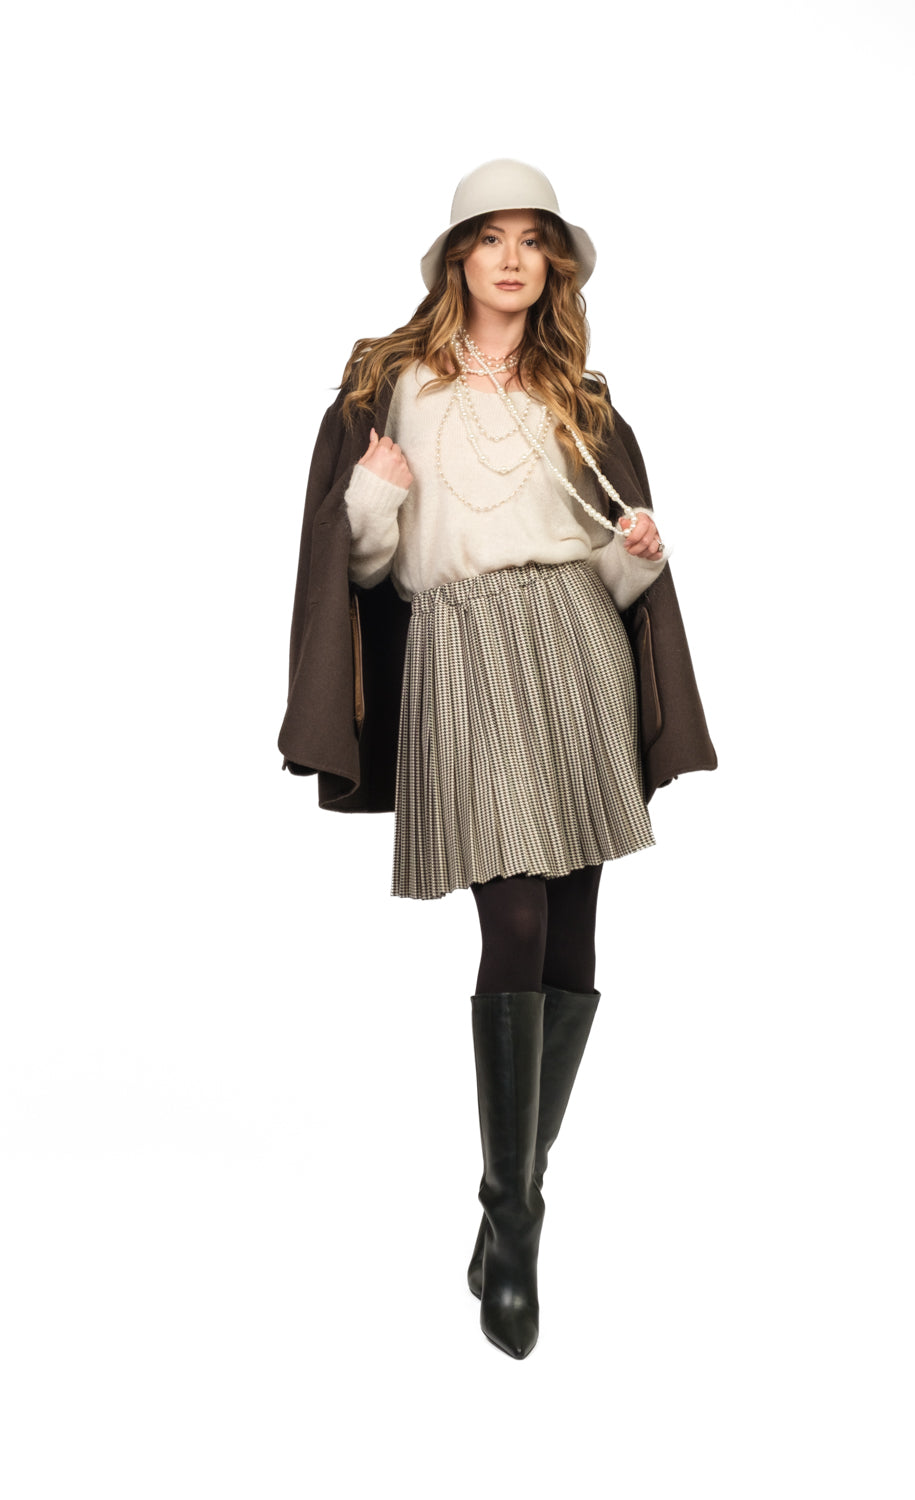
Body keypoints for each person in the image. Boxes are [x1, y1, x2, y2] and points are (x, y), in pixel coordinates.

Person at [278, 159, 717, 1360]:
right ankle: (513, 1216)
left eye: (533, 240)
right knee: (512, 918)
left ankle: (511, 1200)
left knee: (572, 931)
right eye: (491, 238)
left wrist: (633, 553)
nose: (512, 259)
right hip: (460, 649)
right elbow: (364, 572)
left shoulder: (579, 398)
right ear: (458, 259)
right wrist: (372, 501)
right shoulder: (393, 385)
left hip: (574, 643)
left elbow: (606, 574)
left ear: (551, 265)